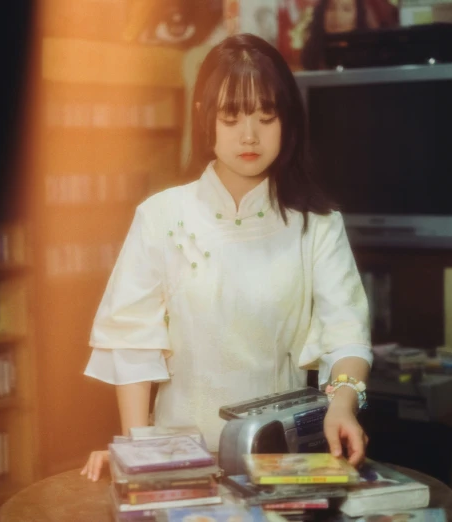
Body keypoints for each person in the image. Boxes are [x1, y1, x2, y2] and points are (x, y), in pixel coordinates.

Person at [80, 33, 373, 481]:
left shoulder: (317, 224)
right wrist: (138, 454)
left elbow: (346, 337)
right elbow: (131, 345)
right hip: (178, 459)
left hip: (280, 460)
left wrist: (343, 404)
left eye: (266, 115)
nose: (249, 135)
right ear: (205, 119)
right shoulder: (161, 216)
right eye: (232, 117)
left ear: (287, 121)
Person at [301, 0, 399, 70]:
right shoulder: (312, 52)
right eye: (331, 8)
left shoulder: (369, 54)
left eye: (346, 9)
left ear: (357, 16)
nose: (337, 16)